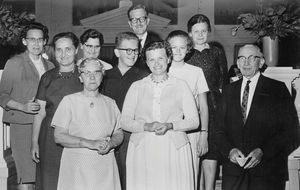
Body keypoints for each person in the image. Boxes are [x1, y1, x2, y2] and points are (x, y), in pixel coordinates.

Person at [215, 44, 299, 190]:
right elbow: (217, 130)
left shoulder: (277, 90)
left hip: (267, 174)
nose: (246, 62)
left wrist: (263, 152)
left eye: (251, 58)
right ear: (237, 63)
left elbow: (292, 133)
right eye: (241, 58)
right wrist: (230, 151)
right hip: (233, 175)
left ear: (261, 62)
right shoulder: (228, 91)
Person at [121, 41, 199, 190]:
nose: (157, 63)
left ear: (168, 59)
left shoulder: (181, 85)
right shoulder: (137, 87)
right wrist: (146, 126)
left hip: (173, 150)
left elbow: (194, 121)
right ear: (146, 62)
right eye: (151, 59)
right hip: (142, 149)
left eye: (161, 58)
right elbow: (124, 121)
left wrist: (171, 125)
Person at [52, 58, 123, 190]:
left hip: (104, 164)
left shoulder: (110, 103)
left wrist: (111, 144)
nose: (92, 77)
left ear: (102, 76)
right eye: (86, 73)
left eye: (96, 72)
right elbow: (59, 136)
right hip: (77, 165)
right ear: (80, 77)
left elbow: (118, 132)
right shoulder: (69, 101)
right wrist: (89, 143)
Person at [0, 22, 54, 190]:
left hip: (45, 127)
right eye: (32, 39)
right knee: (26, 177)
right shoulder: (15, 63)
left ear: (45, 41)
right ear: (24, 41)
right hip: (22, 127)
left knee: (42, 178)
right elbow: (2, 95)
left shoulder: (51, 66)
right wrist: (22, 107)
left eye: (40, 39)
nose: (36, 43)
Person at [31, 32, 83, 190]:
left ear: (76, 50)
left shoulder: (85, 75)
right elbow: (40, 113)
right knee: (51, 181)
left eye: (68, 49)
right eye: (59, 50)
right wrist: (34, 142)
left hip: (77, 135)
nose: (63, 54)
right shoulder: (47, 77)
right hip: (49, 138)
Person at [101, 31, 149, 190]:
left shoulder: (145, 77)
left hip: (134, 138)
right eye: (127, 50)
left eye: (135, 50)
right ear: (116, 52)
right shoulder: (104, 77)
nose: (132, 54)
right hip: (109, 137)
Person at [186, 14, 229, 190]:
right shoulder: (185, 53)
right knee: (194, 152)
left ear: (209, 31)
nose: (201, 34)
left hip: (213, 106)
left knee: (211, 150)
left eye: (204, 30)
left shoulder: (216, 52)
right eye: (196, 31)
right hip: (191, 107)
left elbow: (224, 82)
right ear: (190, 33)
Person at [166, 30, 209, 188]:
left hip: (192, 132)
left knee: (190, 176)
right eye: (173, 47)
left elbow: (203, 106)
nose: (177, 52)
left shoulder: (196, 72)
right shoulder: (163, 71)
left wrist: (204, 134)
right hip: (168, 131)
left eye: (182, 47)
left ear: (188, 48)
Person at [127, 4, 161, 71]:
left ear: (147, 21)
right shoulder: (123, 44)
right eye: (134, 20)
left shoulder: (159, 43)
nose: (138, 23)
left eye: (142, 19)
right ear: (130, 23)